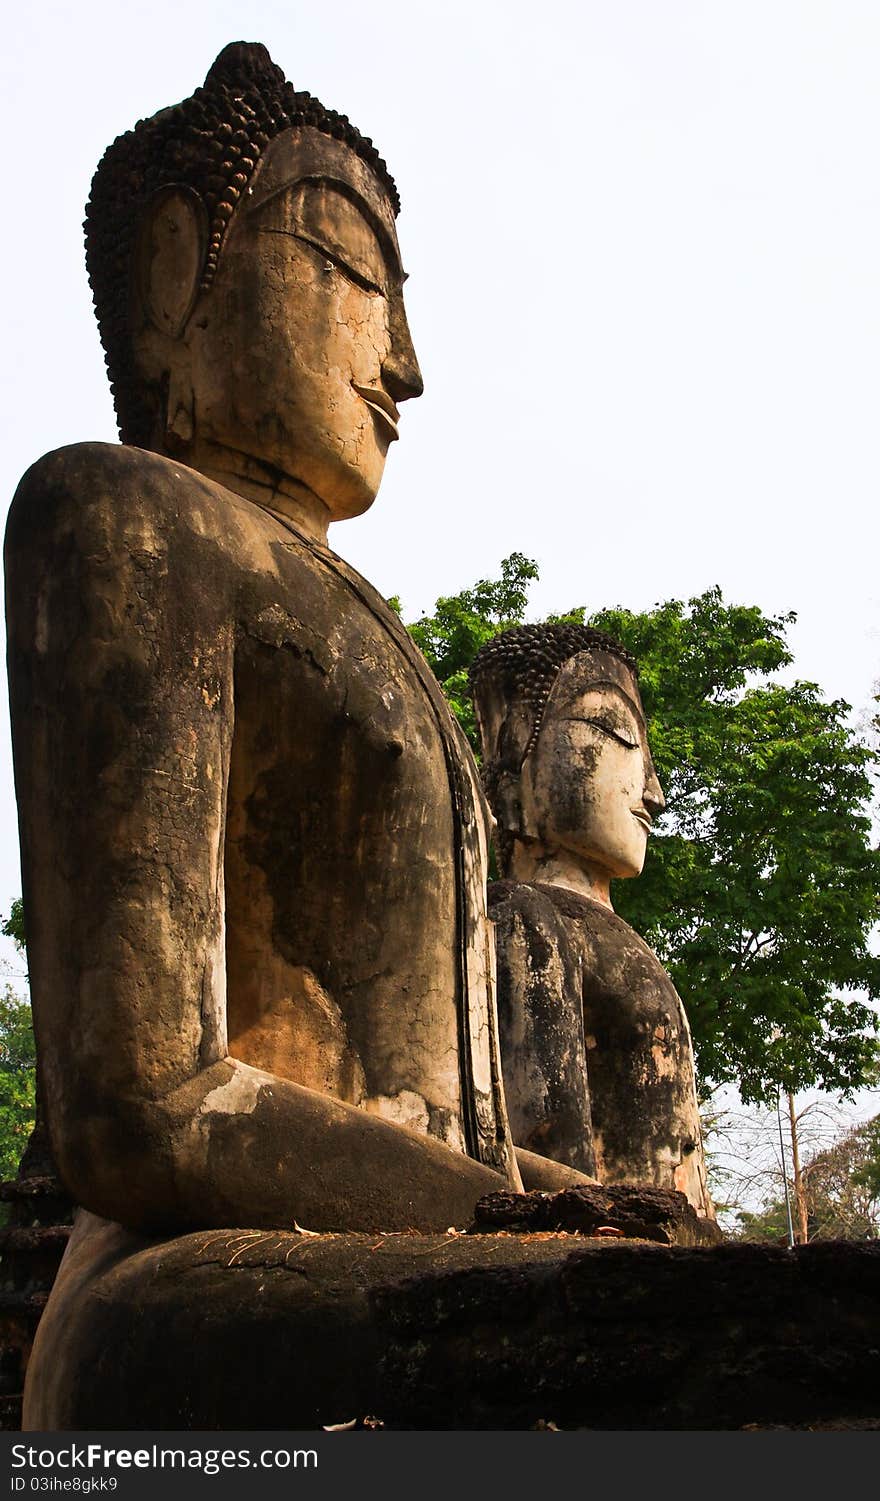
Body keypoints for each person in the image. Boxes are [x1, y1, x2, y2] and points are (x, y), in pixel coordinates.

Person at [6, 41, 531, 1241]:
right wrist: (506, 1231)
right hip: (194, 1269)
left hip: (412, 1254)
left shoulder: (369, 632)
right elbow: (144, 1098)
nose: (403, 361)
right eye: (349, 270)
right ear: (172, 276)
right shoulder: (127, 516)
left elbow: (460, 1136)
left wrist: (602, 1219)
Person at [471, 624, 714, 1215]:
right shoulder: (524, 919)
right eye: (616, 734)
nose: (653, 791)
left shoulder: (615, 940)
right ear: (511, 761)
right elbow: (556, 1169)